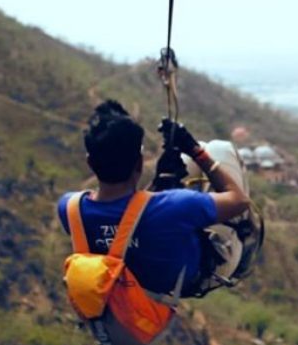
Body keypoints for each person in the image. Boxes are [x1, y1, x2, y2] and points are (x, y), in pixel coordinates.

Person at [56, 100, 251, 301]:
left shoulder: (70, 209)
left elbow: (126, 224)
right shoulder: (176, 205)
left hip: (132, 286)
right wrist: (196, 152)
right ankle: (244, 253)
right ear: (140, 163)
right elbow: (239, 201)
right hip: (195, 279)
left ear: (90, 162)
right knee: (218, 148)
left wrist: (158, 185)